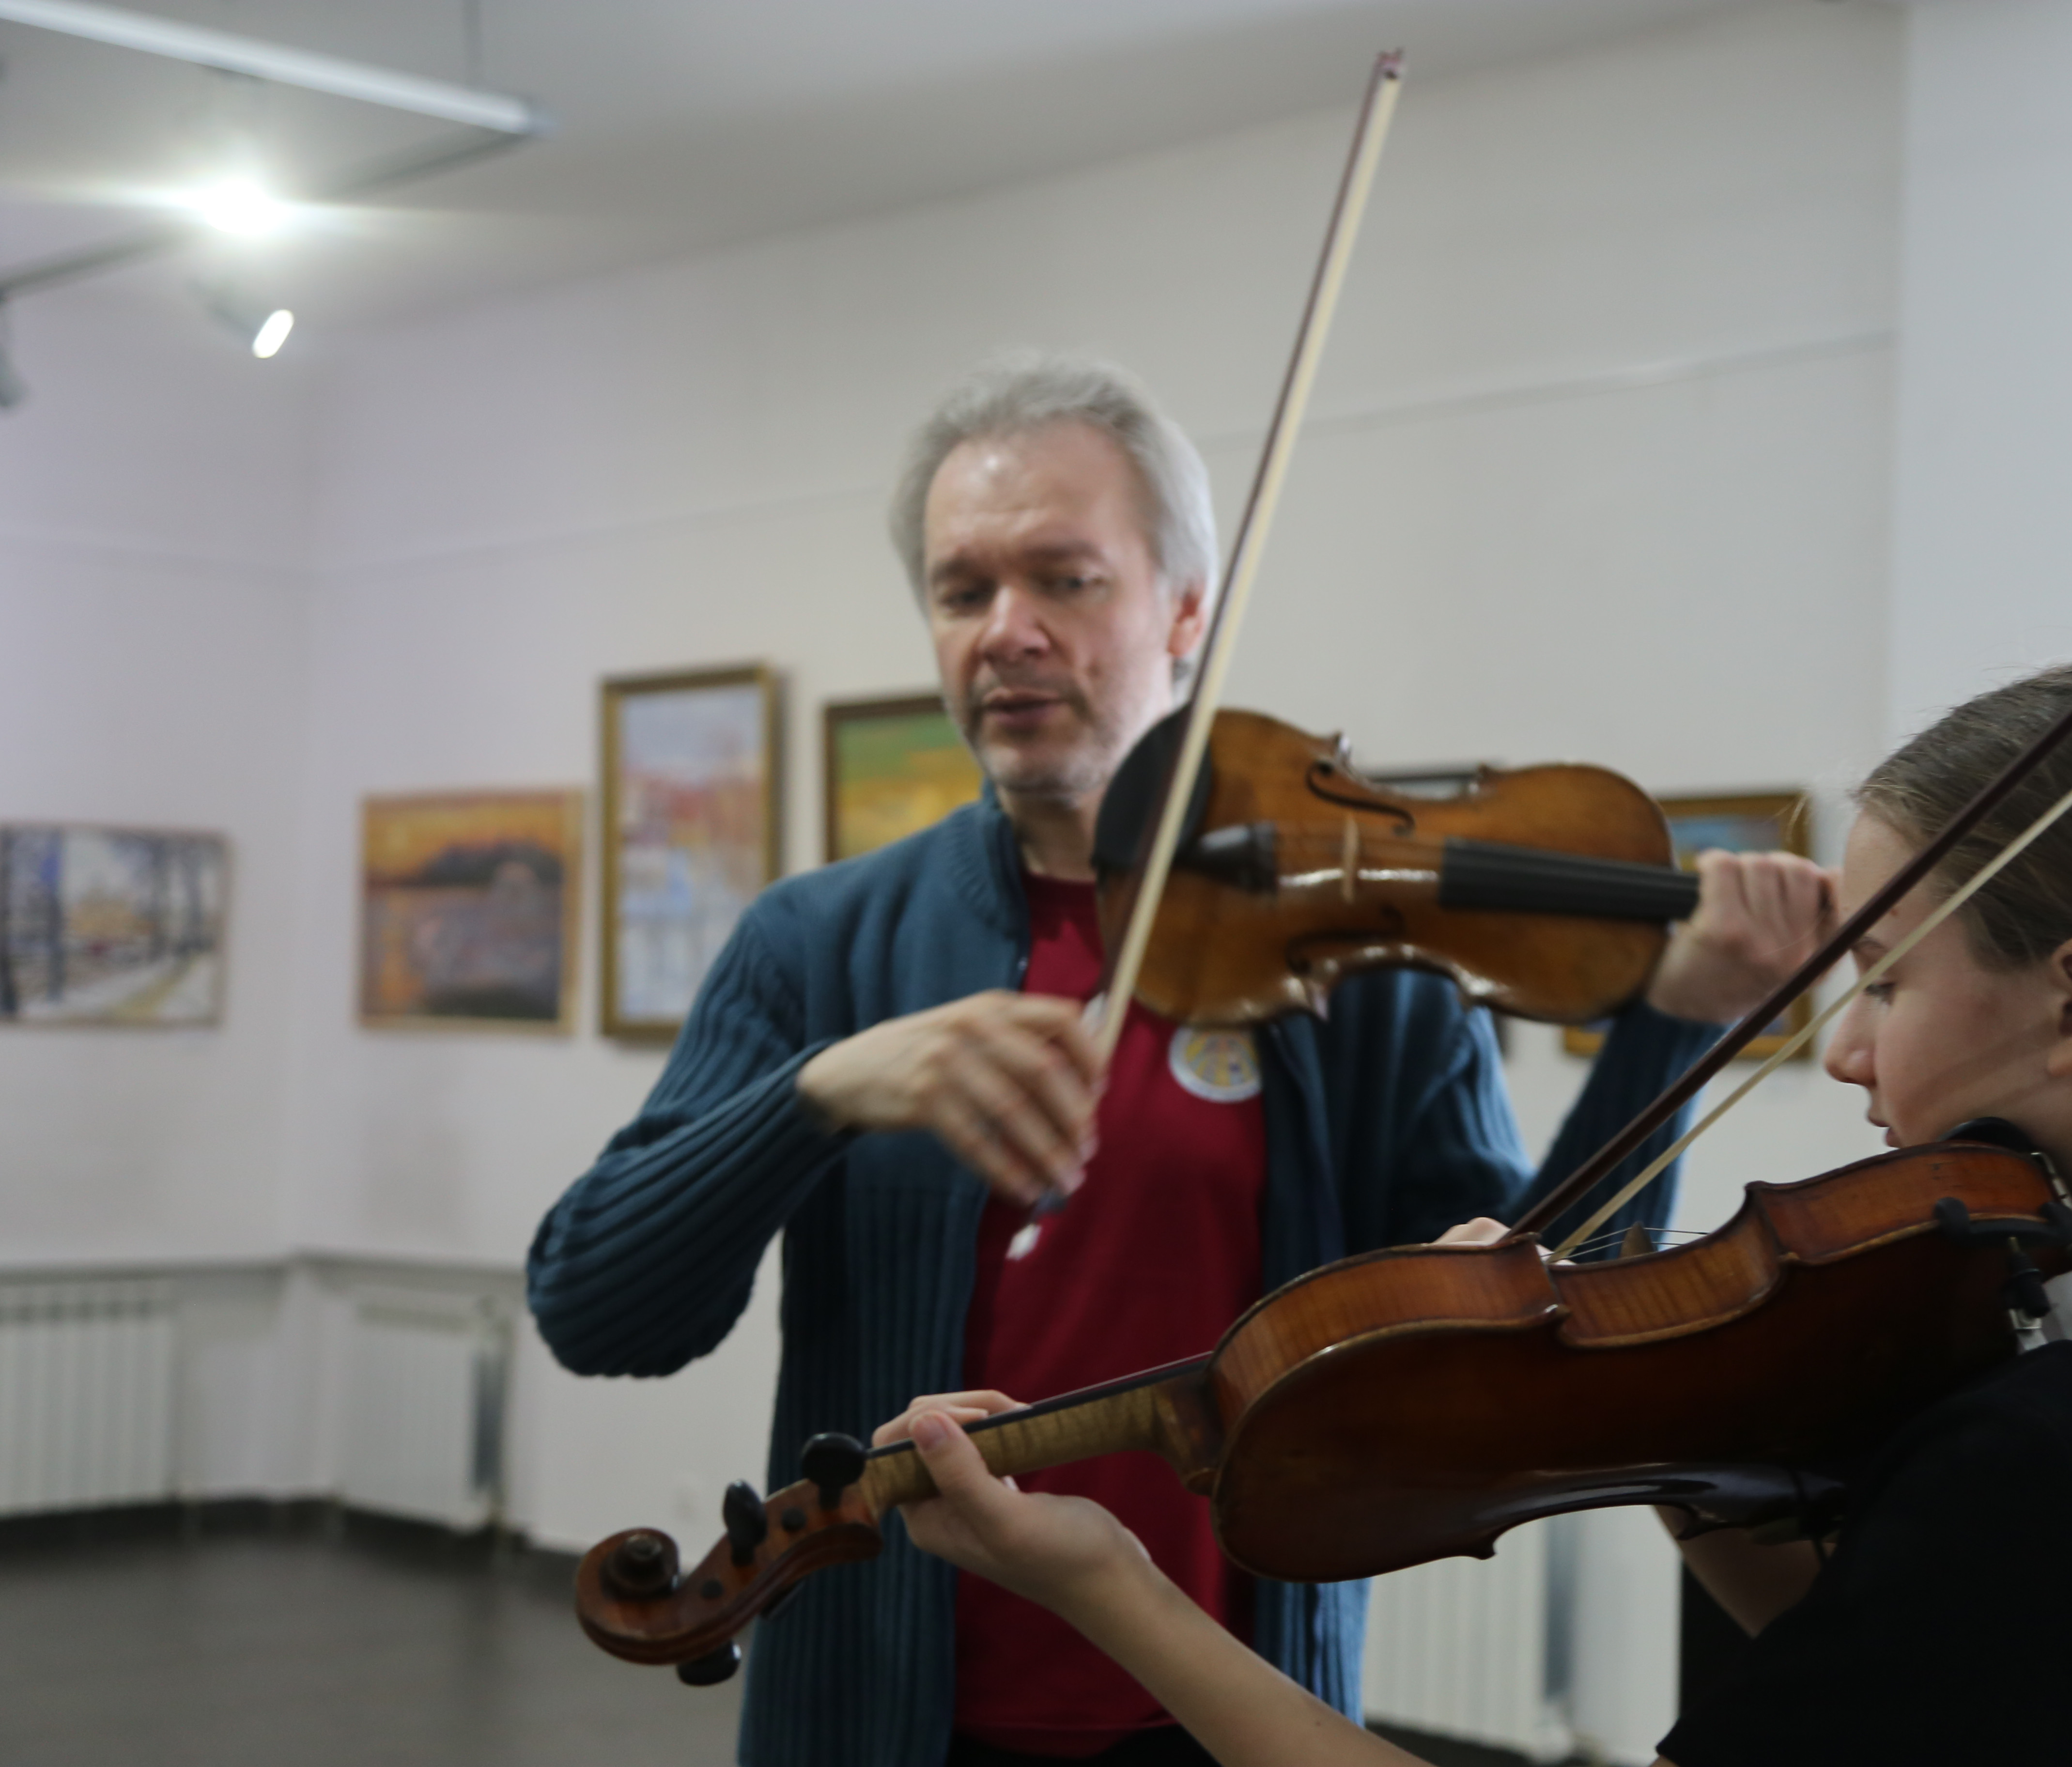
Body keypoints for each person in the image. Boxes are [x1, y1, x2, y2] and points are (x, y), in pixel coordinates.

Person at [883, 654, 2072, 1767]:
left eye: (1889, 981)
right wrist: (1678, 1437)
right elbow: (1942, 1683)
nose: (1844, 1054)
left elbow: (2000, 1583)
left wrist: (1112, 1585)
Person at [526, 353, 1828, 1767]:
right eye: (963, 591)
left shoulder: (1361, 965)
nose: (1006, 632)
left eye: (1065, 579)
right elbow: (599, 1312)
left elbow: (1521, 1341)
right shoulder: (818, 942)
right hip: (886, 1708)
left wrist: (1674, 1026)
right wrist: (819, 1095)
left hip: (1234, 1706)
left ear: (1186, 609)